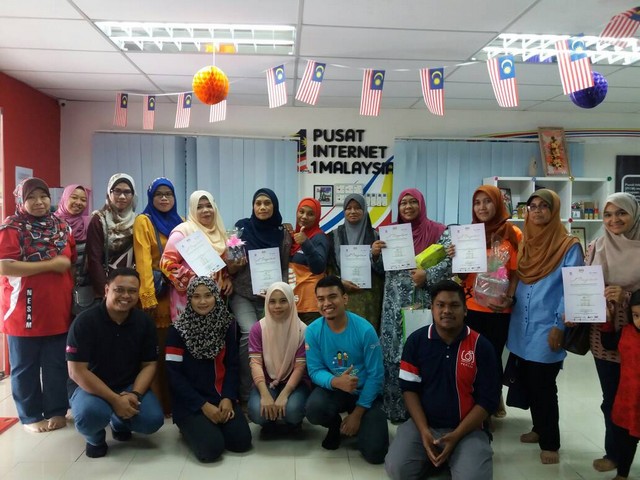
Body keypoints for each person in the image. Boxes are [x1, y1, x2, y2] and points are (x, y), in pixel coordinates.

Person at [385, 280, 499, 480]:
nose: (447, 311)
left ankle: (456, 456)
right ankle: (439, 457)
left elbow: (488, 401)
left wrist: (456, 436)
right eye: (441, 305)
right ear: (432, 308)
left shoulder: (482, 346)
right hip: (424, 426)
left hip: (467, 430)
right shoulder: (416, 341)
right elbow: (409, 389)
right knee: (398, 469)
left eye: (454, 305)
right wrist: (423, 431)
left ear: (465, 310)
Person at [506, 189, 584, 465]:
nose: (537, 211)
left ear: (554, 210)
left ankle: (550, 442)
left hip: (547, 324)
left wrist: (559, 324)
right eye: (532, 206)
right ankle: (539, 428)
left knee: (544, 384)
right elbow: (518, 277)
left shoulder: (568, 245)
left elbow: (572, 287)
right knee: (528, 380)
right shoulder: (526, 241)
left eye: (543, 206)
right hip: (521, 324)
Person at [0, 178, 75, 433]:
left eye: (43, 196)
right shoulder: (12, 227)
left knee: (56, 363)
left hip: (57, 306)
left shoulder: (61, 226)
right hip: (24, 306)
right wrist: (50, 265)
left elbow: (70, 262)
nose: (39, 202)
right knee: (25, 365)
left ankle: (56, 409)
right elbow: (4, 266)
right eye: (31, 197)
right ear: (21, 200)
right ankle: (30, 415)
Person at [66, 268, 164, 458]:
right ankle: (95, 439)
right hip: (90, 388)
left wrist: (135, 394)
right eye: (119, 290)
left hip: (128, 386)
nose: (126, 296)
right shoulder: (84, 322)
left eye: (132, 291)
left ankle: (119, 423)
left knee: (152, 420)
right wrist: (115, 400)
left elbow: (149, 365)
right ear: (106, 290)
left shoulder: (144, 322)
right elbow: (76, 371)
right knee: (90, 415)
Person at [377, 188, 452, 422]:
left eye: (413, 202)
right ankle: (396, 409)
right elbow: (379, 269)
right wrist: (375, 254)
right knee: (393, 355)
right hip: (393, 305)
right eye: (403, 203)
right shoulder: (389, 233)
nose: (408, 207)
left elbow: (450, 262)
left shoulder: (438, 231)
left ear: (421, 204)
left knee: (423, 353)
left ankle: (424, 411)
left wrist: (427, 275)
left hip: (422, 302)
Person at [165, 276, 252, 462]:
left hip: (220, 397)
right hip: (190, 403)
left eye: (208, 295)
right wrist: (203, 406)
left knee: (241, 442)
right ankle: (190, 426)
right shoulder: (177, 330)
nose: (202, 301)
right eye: (196, 296)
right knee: (211, 450)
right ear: (189, 299)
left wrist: (228, 398)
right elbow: (174, 376)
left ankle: (211, 425)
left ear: (216, 296)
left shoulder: (227, 324)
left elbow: (232, 365)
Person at [304, 275, 388, 464]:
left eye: (332, 296)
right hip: (335, 390)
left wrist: (357, 414)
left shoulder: (365, 330)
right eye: (321, 299)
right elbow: (315, 370)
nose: (327, 303)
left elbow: (376, 375)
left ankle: (357, 422)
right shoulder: (313, 331)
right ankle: (335, 426)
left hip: (364, 392)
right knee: (314, 409)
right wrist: (336, 381)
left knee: (376, 454)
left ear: (345, 298)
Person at [585, 192, 640, 473]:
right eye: (608, 214)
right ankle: (614, 453)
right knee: (611, 398)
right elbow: (584, 284)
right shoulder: (596, 246)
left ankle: (626, 456)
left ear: (634, 214)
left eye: (621, 213)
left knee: (635, 397)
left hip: (636, 335)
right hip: (603, 334)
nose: (614, 220)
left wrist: (626, 297)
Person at [459, 185, 522, 419]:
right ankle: (475, 403)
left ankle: (492, 399)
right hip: (470, 306)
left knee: (493, 357)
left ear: (498, 204)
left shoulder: (513, 233)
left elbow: (516, 272)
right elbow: (461, 275)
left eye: (487, 201)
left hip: (497, 308)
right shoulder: (469, 233)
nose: (482, 207)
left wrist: (509, 298)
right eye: (477, 202)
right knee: (471, 358)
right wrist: (456, 256)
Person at [230, 188, 292, 402]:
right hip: (243, 294)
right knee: (250, 333)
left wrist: (279, 291)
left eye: (267, 203)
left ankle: (273, 387)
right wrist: (235, 264)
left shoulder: (283, 233)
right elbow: (231, 267)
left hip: (271, 297)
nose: (263, 207)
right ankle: (246, 395)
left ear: (274, 206)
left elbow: (284, 267)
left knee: (273, 337)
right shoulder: (241, 230)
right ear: (253, 206)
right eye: (258, 203)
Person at [133, 177, 183, 415]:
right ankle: (160, 404)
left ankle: (176, 402)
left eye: (168, 194)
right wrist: (148, 297)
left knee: (176, 351)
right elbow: (143, 261)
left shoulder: (180, 222)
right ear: (151, 197)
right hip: (157, 296)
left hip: (178, 295)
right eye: (159, 194)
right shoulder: (144, 221)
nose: (164, 198)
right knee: (159, 352)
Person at [160, 190, 232, 321]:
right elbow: (166, 263)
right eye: (199, 207)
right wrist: (193, 279)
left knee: (212, 332)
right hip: (187, 297)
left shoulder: (220, 232)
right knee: (188, 332)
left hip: (214, 297)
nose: (206, 210)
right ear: (192, 209)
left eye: (209, 206)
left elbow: (219, 263)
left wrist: (226, 277)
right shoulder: (183, 232)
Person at [248, 282, 309, 435]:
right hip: (268, 381)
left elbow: (300, 367)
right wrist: (265, 394)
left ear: (291, 301)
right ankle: (269, 421)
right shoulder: (258, 329)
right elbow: (255, 363)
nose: (277, 306)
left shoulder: (303, 330)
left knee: (292, 411)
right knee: (257, 412)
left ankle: (293, 422)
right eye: (272, 301)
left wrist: (284, 395)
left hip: (296, 383)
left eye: (283, 301)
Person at [327, 193, 384, 332]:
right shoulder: (333, 236)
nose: (353, 211)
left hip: (370, 299)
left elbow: (383, 270)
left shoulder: (377, 237)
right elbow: (328, 269)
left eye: (358, 208)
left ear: (364, 210)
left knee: (366, 334)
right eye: (348, 208)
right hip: (342, 295)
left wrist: (375, 255)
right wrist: (340, 282)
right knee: (343, 333)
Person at [86, 173, 136, 299]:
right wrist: (106, 293)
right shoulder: (99, 220)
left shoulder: (138, 221)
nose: (122, 196)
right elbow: (94, 260)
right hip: (107, 286)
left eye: (127, 192)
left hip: (131, 285)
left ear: (133, 195)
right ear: (109, 192)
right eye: (117, 191)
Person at [610, 290, 640, 480]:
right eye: (636, 315)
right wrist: (607, 321)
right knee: (626, 440)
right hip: (628, 400)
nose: (639, 321)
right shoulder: (626, 332)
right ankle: (622, 474)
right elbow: (608, 343)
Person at [286, 197, 329, 325]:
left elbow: (319, 267)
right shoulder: (293, 236)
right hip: (293, 300)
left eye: (310, 214)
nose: (304, 217)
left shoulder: (319, 238)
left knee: (310, 337)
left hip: (310, 305)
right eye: (301, 212)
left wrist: (306, 243)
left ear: (317, 217)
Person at [54, 183, 92, 314]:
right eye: (74, 197)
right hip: (58, 285)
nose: (78, 202)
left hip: (84, 287)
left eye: (83, 199)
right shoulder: (52, 224)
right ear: (65, 198)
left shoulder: (89, 223)